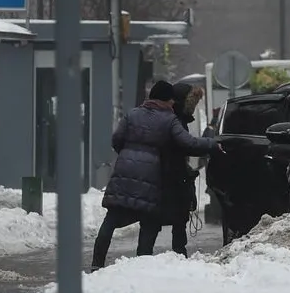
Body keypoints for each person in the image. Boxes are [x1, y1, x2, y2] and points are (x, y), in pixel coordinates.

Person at [91, 79, 222, 270]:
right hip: (151, 176)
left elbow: (116, 140)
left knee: (111, 218)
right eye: (170, 100)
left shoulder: (132, 114)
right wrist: (212, 145)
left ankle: (97, 263)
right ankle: (142, 263)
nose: (172, 104)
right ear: (165, 100)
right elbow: (188, 143)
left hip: (124, 171)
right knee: (149, 220)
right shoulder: (169, 120)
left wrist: (129, 154)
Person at [144, 80, 206, 256]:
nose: (193, 108)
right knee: (174, 216)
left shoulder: (175, 119)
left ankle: (146, 254)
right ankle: (177, 253)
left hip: (167, 174)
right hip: (171, 175)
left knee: (159, 217)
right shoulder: (174, 121)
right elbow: (184, 146)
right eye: (192, 104)